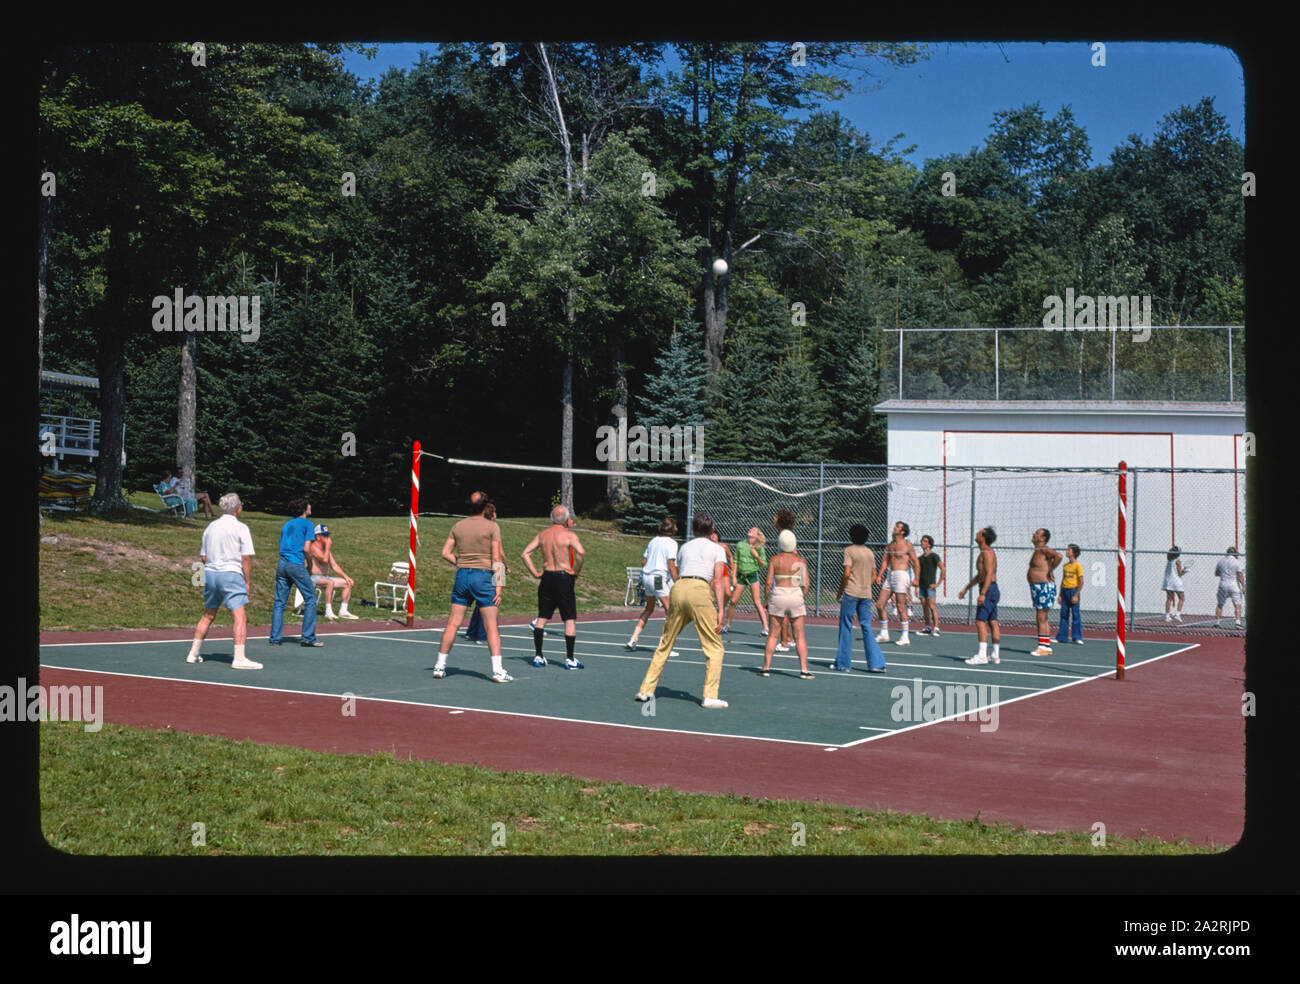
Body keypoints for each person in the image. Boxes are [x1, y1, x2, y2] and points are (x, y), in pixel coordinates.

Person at [635, 511, 730, 709]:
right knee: (714, 647)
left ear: (693, 530)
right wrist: (721, 610)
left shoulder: (685, 547)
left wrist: (681, 588)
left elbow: (677, 571)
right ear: (712, 529)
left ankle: (645, 690)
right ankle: (710, 696)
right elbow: (719, 580)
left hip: (679, 588)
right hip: (700, 591)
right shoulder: (717, 549)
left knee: (665, 643)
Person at [434, 491, 511, 682]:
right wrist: (499, 585)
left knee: (453, 623)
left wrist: (460, 562)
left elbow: (445, 553)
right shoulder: (492, 527)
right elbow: (497, 558)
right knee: (491, 626)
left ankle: (439, 666)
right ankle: (497, 671)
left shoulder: (458, 526)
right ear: (486, 505)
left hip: (462, 576)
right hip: (483, 577)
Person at [186, 492, 261, 669]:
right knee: (239, 616)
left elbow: (203, 557)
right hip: (231, 573)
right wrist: (247, 582)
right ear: (237, 508)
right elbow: (246, 558)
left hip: (211, 574)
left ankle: (193, 653)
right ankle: (239, 658)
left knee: (208, 614)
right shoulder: (241, 528)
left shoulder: (210, 527)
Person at [521, 505, 586, 669]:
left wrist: (536, 573)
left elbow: (525, 554)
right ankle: (570, 659)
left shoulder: (543, 535)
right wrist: (575, 571)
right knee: (569, 619)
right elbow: (581, 553)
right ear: (565, 518)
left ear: (552, 518)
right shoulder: (569, 535)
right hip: (564, 577)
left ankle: (538, 655)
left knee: (542, 618)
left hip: (548, 577)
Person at [268, 497, 323, 648]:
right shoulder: (308, 525)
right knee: (311, 598)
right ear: (304, 508)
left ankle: (275, 638)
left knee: (280, 602)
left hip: (282, 563)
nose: (311, 506)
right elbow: (306, 549)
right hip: (296, 564)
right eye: (309, 504)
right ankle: (308, 637)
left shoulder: (287, 525)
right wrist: (310, 565)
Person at [759, 530, 814, 678]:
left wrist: (766, 599)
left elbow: (769, 583)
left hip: (779, 596)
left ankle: (766, 667)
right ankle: (804, 670)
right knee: (800, 636)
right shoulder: (800, 561)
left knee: (773, 634)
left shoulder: (775, 559)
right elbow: (806, 584)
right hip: (795, 595)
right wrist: (801, 595)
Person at [833, 523, 886, 672]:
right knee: (866, 626)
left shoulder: (849, 550)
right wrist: (865, 585)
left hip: (851, 593)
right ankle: (876, 664)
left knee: (845, 626)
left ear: (851, 536)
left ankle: (843, 664)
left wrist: (840, 591)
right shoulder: (870, 553)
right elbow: (874, 575)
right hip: (866, 594)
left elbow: (846, 573)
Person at [627, 516, 678, 650]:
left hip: (646, 577)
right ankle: (663, 646)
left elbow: (643, 561)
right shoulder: (672, 543)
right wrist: (677, 582)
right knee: (670, 612)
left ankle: (633, 638)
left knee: (649, 608)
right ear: (673, 529)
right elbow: (671, 565)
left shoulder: (653, 541)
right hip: (657, 578)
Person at [959, 526, 1001, 665]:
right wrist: (966, 588)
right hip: (991, 589)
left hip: (989, 590)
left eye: (979, 533)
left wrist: (983, 593)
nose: (976, 534)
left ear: (983, 537)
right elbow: (980, 575)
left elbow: (989, 573)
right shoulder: (983, 552)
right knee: (992, 621)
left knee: (980, 621)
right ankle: (995, 655)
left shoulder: (987, 553)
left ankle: (982, 655)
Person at [465, 504, 506, 643]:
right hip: (487, 570)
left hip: (471, 570)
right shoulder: (493, 529)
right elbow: (499, 554)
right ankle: (482, 635)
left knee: (479, 601)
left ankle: (471, 631)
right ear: (492, 514)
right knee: (489, 602)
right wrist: (505, 567)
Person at [874, 521, 919, 646]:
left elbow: (915, 562)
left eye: (898, 527)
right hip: (890, 575)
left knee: (900, 606)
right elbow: (885, 562)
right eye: (895, 526)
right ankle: (884, 634)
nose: (894, 528)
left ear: (903, 531)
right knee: (879, 605)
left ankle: (905, 637)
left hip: (901, 575)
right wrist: (879, 575)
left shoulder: (907, 545)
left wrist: (917, 579)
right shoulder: (889, 546)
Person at [304, 524, 358, 621]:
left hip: (325, 577)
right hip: (313, 578)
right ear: (318, 537)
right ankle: (328, 612)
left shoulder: (326, 549)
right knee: (330, 583)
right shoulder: (313, 547)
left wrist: (346, 576)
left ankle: (343, 611)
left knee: (347, 583)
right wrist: (328, 546)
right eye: (325, 536)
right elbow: (324, 560)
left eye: (328, 535)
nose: (327, 538)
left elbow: (335, 566)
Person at [724, 527, 769, 635]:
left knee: (757, 601)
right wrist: (734, 577)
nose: (750, 530)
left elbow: (764, 564)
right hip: (741, 576)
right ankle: (727, 625)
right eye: (750, 529)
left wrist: (757, 556)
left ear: (757, 536)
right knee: (733, 601)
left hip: (753, 576)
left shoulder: (759, 548)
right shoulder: (740, 545)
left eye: (753, 530)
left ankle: (765, 627)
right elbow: (735, 561)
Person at [1027, 528, 1063, 656]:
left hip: (1043, 586)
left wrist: (1050, 570)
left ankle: (1042, 647)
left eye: (1037, 534)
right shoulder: (1038, 550)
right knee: (1043, 616)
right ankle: (1046, 646)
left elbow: (1058, 556)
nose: (1033, 534)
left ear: (1042, 538)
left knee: (1041, 616)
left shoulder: (1043, 549)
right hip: (1038, 586)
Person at [771, 508, 796, 650]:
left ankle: (784, 643)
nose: (773, 518)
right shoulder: (783, 533)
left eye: (776, 516)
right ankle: (789, 638)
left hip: (783, 579)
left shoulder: (785, 535)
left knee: (781, 612)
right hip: (783, 577)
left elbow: (794, 554)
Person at [1056, 544, 1084, 644]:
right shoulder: (1065, 566)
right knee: (1064, 614)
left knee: (1075, 614)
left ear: (1074, 553)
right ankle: (1062, 637)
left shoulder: (1078, 565)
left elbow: (1081, 581)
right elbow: (1063, 580)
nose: (1067, 551)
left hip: (1073, 590)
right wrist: (1060, 594)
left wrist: (1076, 594)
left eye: (1069, 550)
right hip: (1065, 591)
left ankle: (1077, 637)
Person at [917, 535, 944, 636]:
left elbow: (942, 568)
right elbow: (918, 572)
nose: (922, 542)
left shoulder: (934, 556)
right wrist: (916, 587)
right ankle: (927, 627)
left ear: (929, 544)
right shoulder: (920, 558)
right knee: (924, 607)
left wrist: (938, 583)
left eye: (924, 541)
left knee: (932, 606)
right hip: (922, 586)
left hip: (930, 586)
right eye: (922, 541)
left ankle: (936, 628)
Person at [1213, 546, 1246, 628]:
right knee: (1237, 605)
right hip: (1234, 585)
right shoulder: (1237, 562)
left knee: (1220, 604)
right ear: (1234, 553)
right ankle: (1237, 622)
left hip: (1223, 584)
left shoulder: (1221, 561)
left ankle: (1217, 623)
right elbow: (1240, 575)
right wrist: (1243, 586)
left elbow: (1216, 573)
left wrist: (1225, 574)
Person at [710, 530, 735, 623]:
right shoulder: (708, 546)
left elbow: (730, 556)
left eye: (715, 534)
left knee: (728, 594)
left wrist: (732, 568)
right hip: (713, 570)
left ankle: (720, 609)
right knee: (710, 593)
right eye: (711, 534)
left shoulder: (723, 546)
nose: (713, 535)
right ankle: (709, 613)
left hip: (723, 569)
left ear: (718, 536)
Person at [1162, 546, 1188, 623]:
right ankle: (1177, 614)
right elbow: (1179, 573)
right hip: (1176, 582)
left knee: (1169, 599)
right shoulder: (1178, 561)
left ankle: (1167, 616)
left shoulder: (1169, 560)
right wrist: (1185, 571)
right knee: (1182, 598)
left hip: (1168, 582)